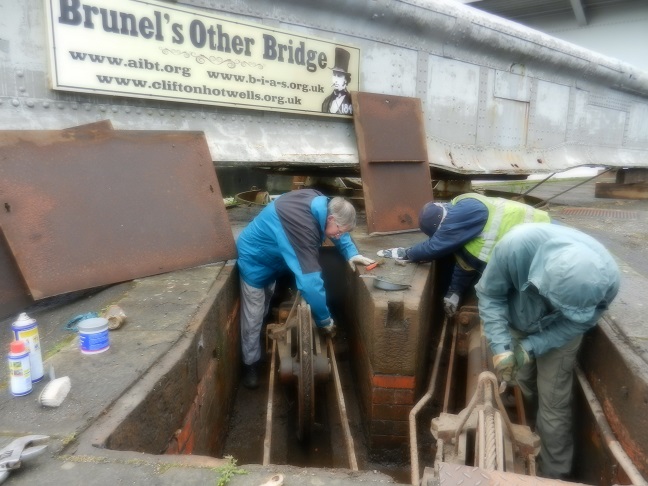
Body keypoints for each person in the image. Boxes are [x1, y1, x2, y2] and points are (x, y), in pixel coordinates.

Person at [475, 223, 620, 479]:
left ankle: (554, 476)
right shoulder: (514, 248)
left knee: (554, 404)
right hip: (519, 317)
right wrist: (501, 349)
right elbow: (491, 295)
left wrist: (532, 346)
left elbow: (580, 321)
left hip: (562, 332)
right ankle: (529, 422)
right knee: (525, 382)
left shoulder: (608, 282)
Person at [236, 189, 374, 389]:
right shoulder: (300, 226)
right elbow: (310, 282)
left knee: (265, 305)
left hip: (275, 257)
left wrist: (351, 253)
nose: (339, 235)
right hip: (255, 260)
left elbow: (336, 231)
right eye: (340, 230)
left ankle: (262, 335)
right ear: (331, 218)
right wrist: (324, 321)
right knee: (254, 314)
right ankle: (251, 364)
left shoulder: (322, 204)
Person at [377, 193, 551, 316]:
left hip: (546, 241)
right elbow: (465, 263)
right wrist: (455, 292)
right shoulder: (463, 225)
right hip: (531, 251)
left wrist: (405, 253)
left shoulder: (466, 210)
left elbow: (434, 247)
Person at [321, 47, 353, 115]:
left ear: (346, 80)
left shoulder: (352, 101)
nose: (335, 80)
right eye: (334, 75)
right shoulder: (326, 102)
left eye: (339, 76)